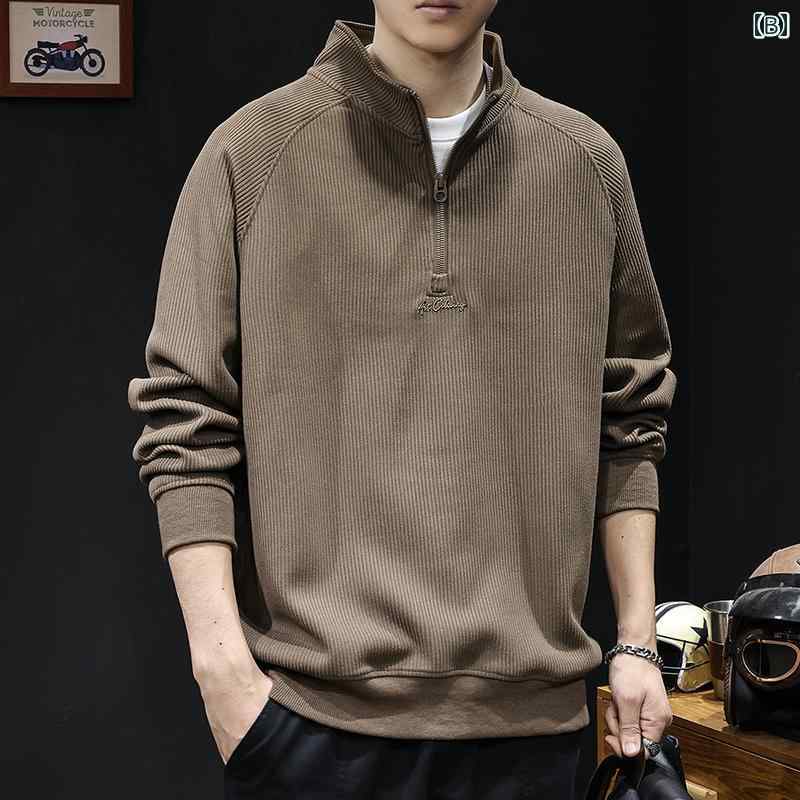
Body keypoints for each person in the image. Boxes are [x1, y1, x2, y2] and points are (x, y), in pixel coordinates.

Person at [127, 2, 678, 797]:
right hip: (310, 729)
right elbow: (185, 417)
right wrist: (223, 676)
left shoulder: (585, 163)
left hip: (534, 733)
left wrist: (636, 642)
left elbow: (630, 416)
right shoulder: (251, 152)